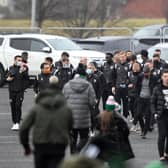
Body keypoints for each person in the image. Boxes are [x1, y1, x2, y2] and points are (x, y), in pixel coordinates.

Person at [19, 84, 73, 168]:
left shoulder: (36, 108)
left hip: (41, 144)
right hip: (59, 145)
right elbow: (70, 125)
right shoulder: (66, 109)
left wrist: (26, 146)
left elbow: (24, 128)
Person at [63, 63, 96, 153]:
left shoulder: (67, 85)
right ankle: (78, 150)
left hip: (70, 117)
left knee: (72, 137)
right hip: (83, 118)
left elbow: (63, 100)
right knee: (84, 138)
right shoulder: (88, 86)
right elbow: (92, 102)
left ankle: (73, 154)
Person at [6, 55, 29, 130]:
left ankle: (18, 123)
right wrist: (8, 79)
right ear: (14, 60)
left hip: (20, 91)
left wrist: (23, 71)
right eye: (18, 60)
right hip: (12, 91)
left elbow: (27, 79)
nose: (20, 62)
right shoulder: (10, 68)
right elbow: (6, 77)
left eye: (20, 60)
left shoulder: (24, 68)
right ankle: (14, 122)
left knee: (18, 106)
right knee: (13, 106)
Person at [151, 69, 168, 161]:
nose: (167, 79)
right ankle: (161, 155)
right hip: (161, 114)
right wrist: (155, 113)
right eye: (165, 76)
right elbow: (152, 102)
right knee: (162, 134)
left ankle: (166, 152)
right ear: (161, 77)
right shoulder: (157, 88)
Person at [112, 51, 130, 118]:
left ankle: (125, 117)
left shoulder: (128, 65)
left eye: (123, 56)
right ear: (119, 57)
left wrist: (128, 83)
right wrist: (113, 86)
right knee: (117, 103)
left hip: (125, 88)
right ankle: (118, 116)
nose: (122, 58)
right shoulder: (116, 65)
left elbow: (130, 77)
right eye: (121, 57)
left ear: (125, 57)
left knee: (125, 103)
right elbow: (113, 77)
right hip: (118, 87)